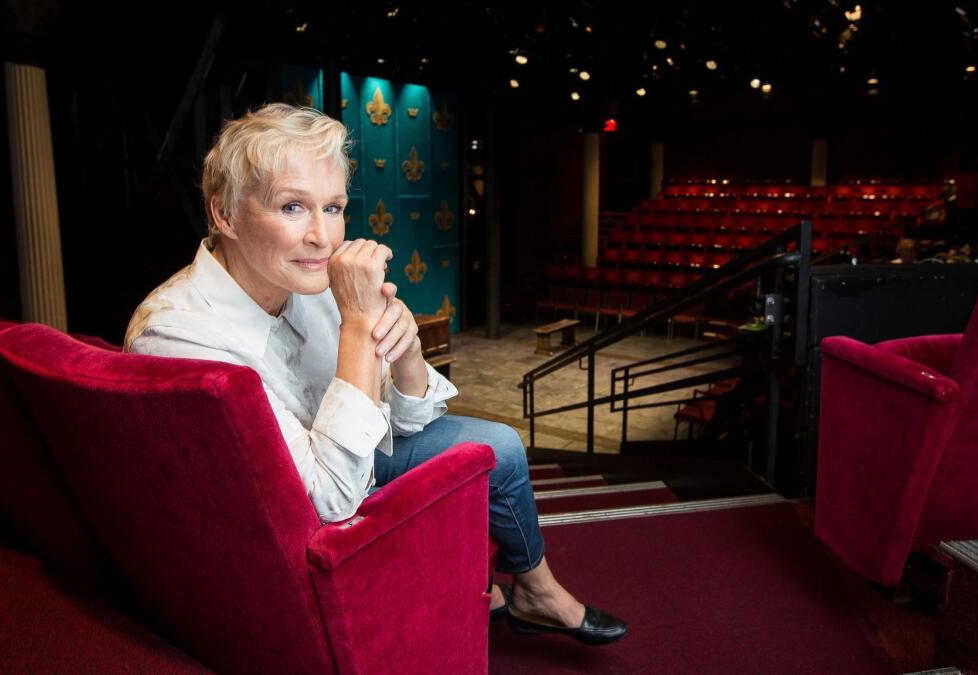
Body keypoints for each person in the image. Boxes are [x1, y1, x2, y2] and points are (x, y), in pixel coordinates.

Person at [124, 103, 626, 646]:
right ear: (224, 214)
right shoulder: (180, 334)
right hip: (304, 511)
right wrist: (360, 325)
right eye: (293, 206)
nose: (324, 236)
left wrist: (406, 355)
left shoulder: (305, 281)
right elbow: (327, 499)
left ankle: (535, 589)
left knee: (498, 445)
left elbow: (405, 421)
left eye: (334, 207)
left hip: (343, 459)